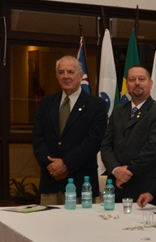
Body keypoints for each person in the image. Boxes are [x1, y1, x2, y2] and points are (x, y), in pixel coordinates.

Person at [32, 56, 107, 205]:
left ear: (81, 76)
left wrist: (66, 164)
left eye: (70, 72)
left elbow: (93, 141)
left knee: (81, 221)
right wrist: (51, 167)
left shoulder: (96, 105)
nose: (65, 76)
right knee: (48, 220)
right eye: (61, 72)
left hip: (81, 184)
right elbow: (37, 138)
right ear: (57, 76)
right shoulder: (46, 103)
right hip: (51, 182)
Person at [100, 66, 156, 202]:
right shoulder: (118, 110)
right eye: (132, 79)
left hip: (145, 189)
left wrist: (128, 171)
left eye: (142, 79)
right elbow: (106, 146)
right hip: (116, 186)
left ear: (150, 84)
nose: (137, 83)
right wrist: (116, 170)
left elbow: (154, 149)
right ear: (127, 85)